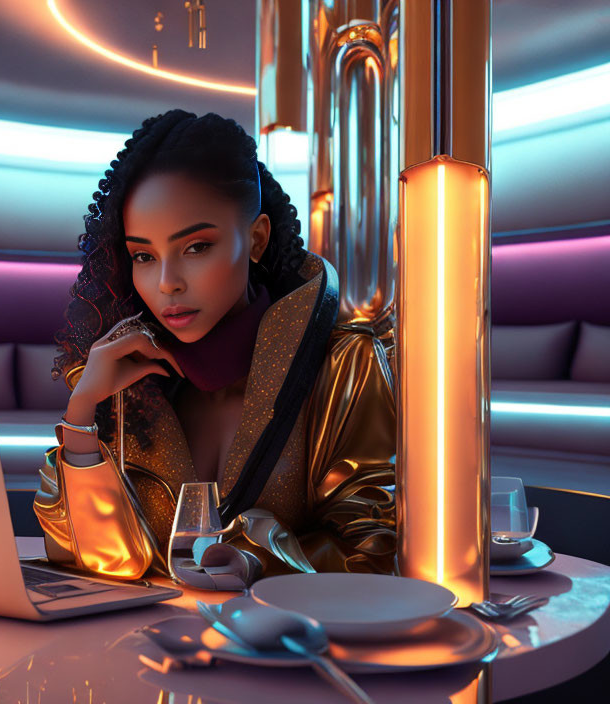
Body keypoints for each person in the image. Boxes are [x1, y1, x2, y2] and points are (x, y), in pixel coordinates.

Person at [33, 110, 396, 585]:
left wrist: (256, 559)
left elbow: (375, 551)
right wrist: (82, 415)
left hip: (288, 648)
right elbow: (93, 562)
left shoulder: (343, 362)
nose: (167, 284)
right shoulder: (125, 383)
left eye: (196, 247)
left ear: (257, 240)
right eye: (144, 255)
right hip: (151, 650)